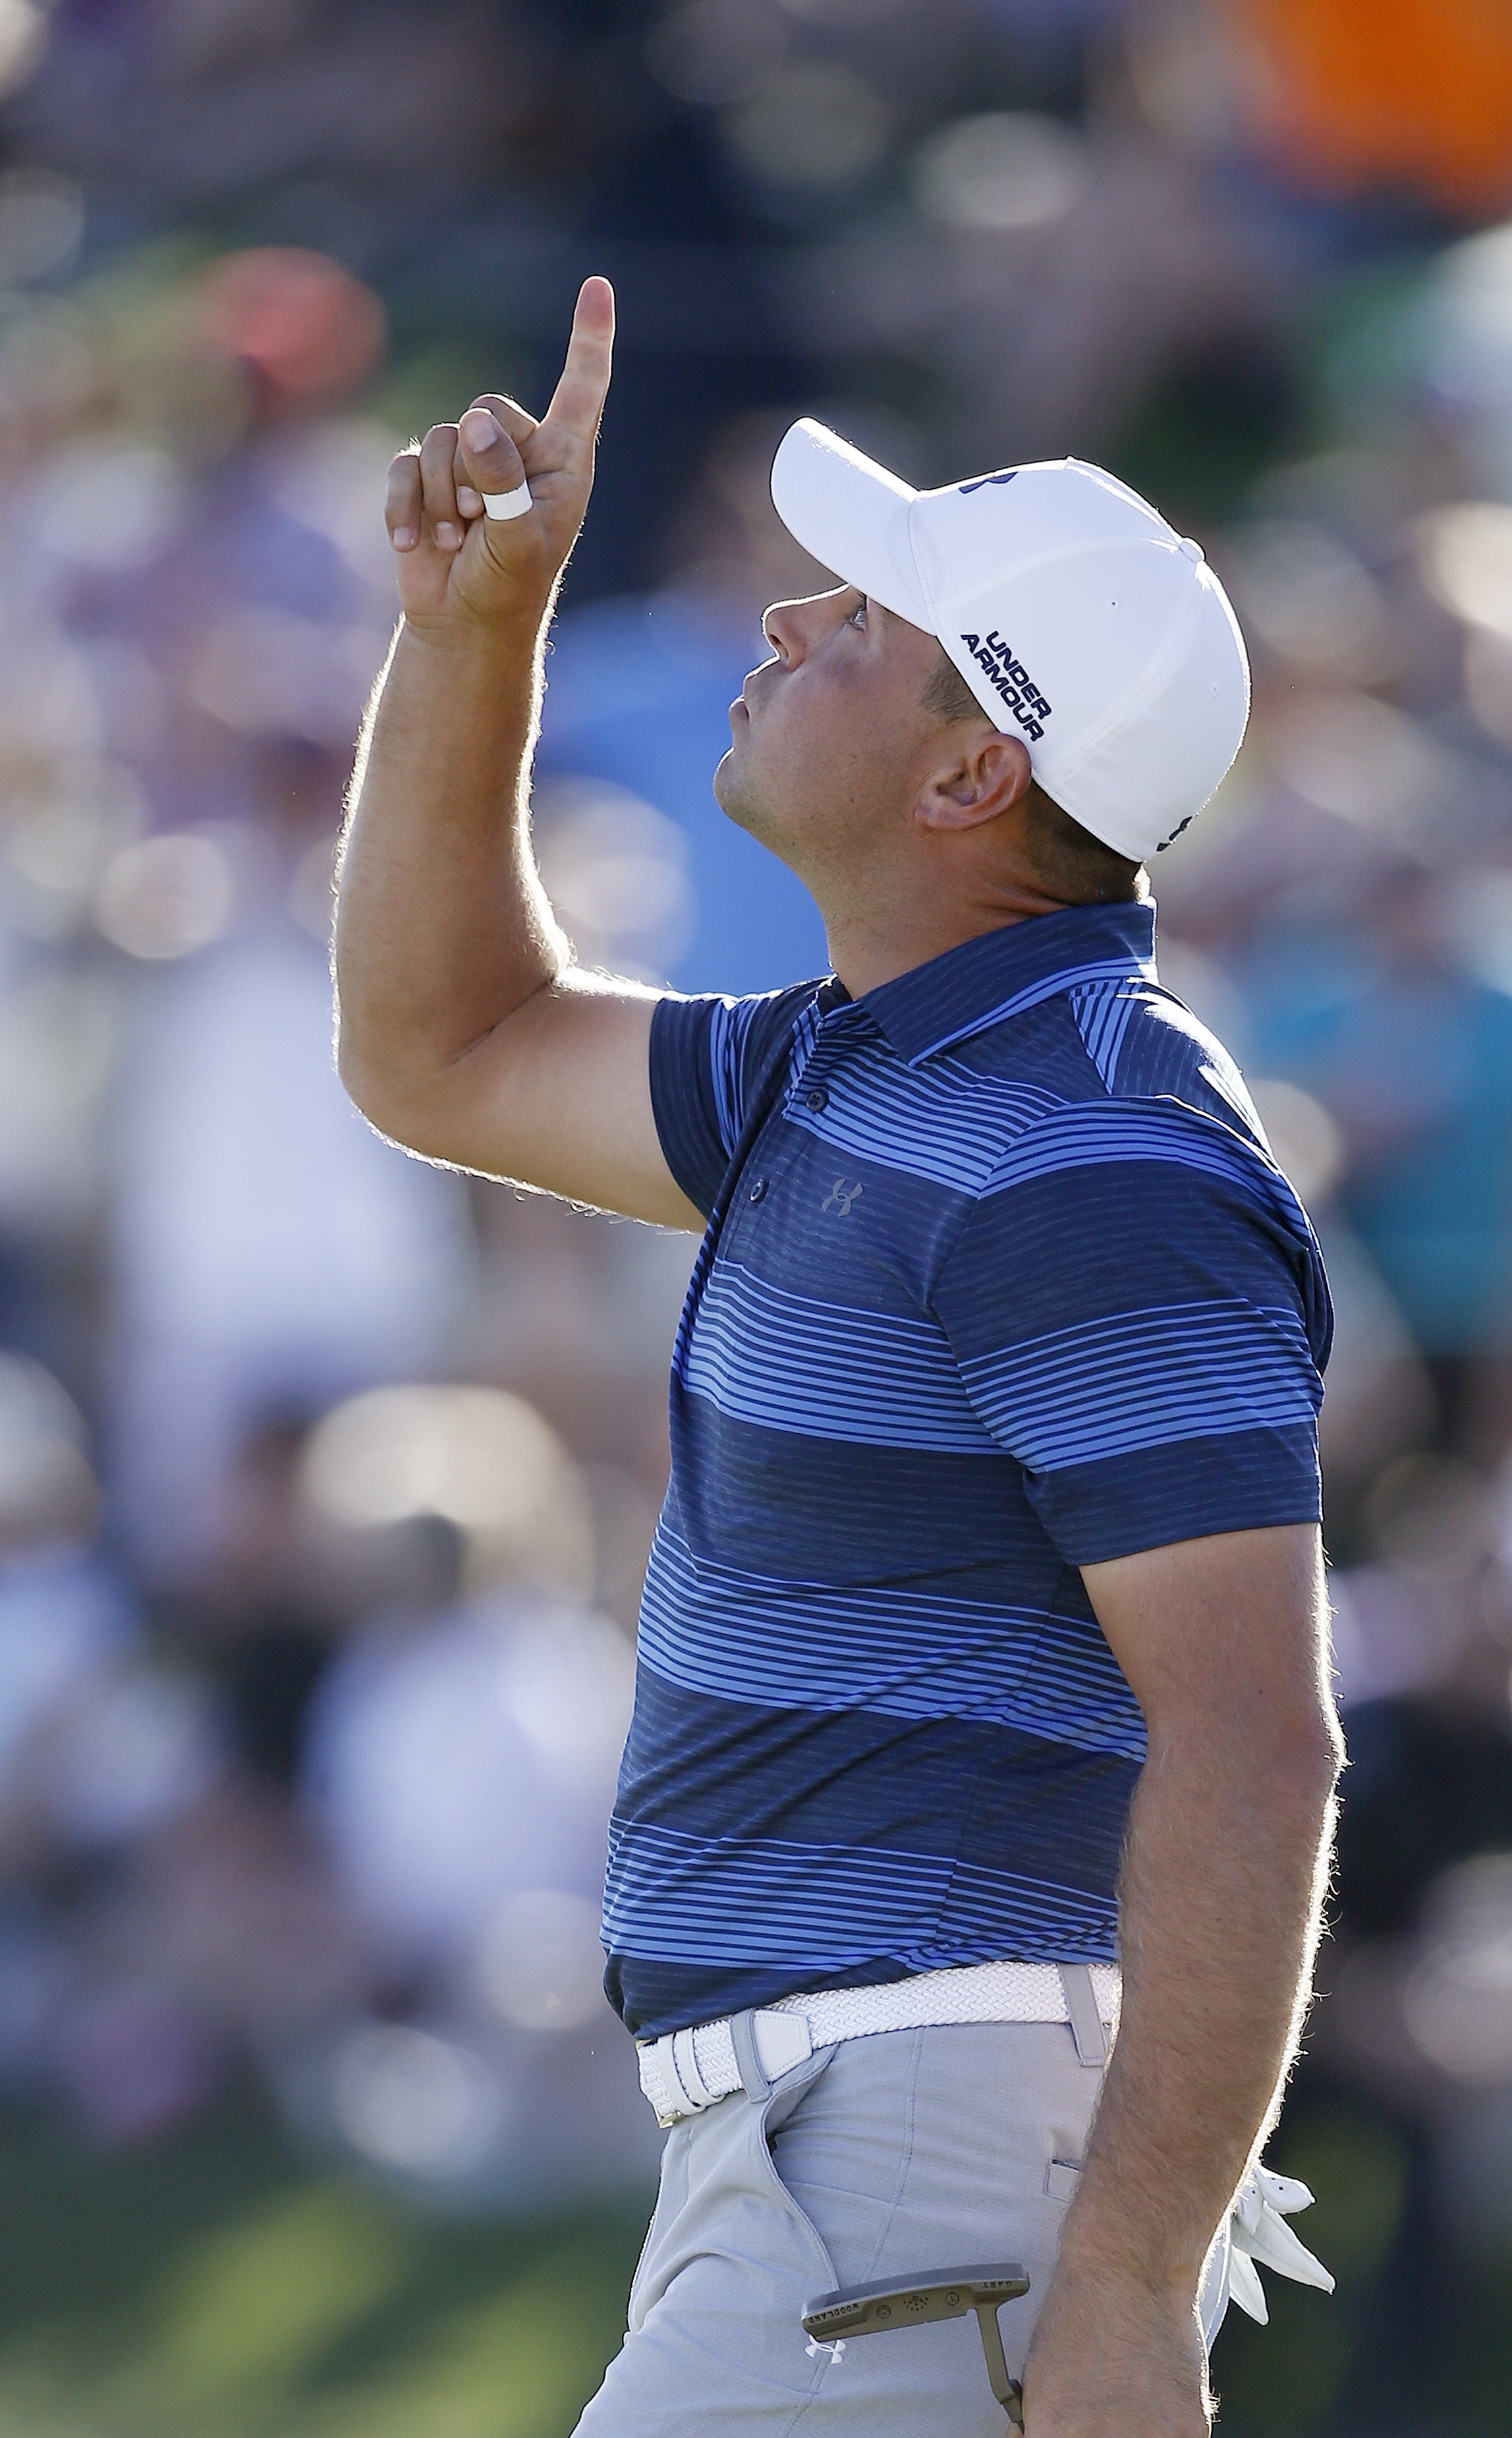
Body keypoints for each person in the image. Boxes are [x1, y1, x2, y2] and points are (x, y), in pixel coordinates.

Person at [334, 277, 1343, 2438]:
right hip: (849, 2160)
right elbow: (442, 1049)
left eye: (865, 621)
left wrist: (1130, 2292)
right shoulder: (858, 1066)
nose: (787, 616)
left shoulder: (1093, 1150)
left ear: (977, 768)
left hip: (924, 2155)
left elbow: (1255, 1742)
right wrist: (476, 634)